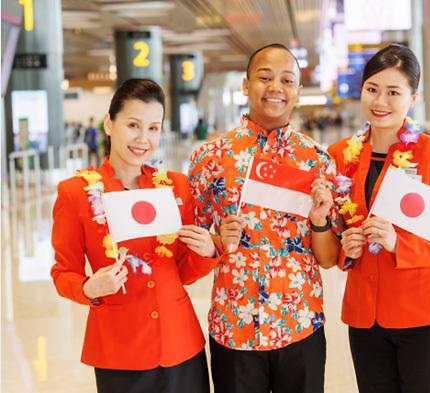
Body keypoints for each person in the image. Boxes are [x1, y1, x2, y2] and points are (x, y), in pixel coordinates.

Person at [188, 43, 340, 393]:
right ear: (246, 85)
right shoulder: (211, 158)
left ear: (298, 92)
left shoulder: (316, 160)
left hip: (300, 323)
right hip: (234, 324)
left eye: (287, 80)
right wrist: (216, 243)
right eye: (265, 77)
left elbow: (329, 259)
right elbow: (191, 246)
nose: (276, 88)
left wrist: (319, 220)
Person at [327, 44, 430, 393]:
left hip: (424, 316)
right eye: (372, 89)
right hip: (365, 318)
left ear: (413, 97)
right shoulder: (340, 157)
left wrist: (400, 244)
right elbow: (334, 232)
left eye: (394, 92)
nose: (380, 101)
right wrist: (344, 246)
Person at [51, 78, 218, 393]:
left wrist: (207, 251)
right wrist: (89, 287)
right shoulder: (76, 194)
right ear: (109, 124)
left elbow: (183, 271)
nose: (144, 138)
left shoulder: (176, 187)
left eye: (153, 128)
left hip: (180, 345)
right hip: (119, 352)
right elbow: (63, 272)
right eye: (133, 125)